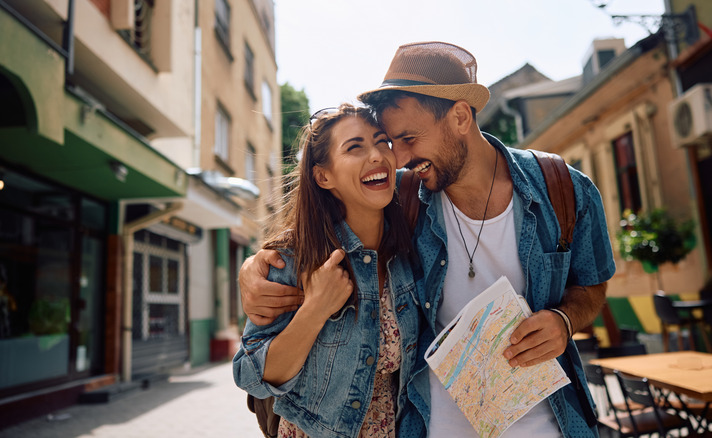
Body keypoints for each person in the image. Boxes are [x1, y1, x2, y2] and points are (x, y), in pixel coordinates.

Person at [240, 42, 616, 437]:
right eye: (391, 141)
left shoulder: (563, 189)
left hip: (552, 424)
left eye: (406, 138)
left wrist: (564, 319)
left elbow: (591, 282)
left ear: (459, 117)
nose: (397, 158)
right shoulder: (401, 199)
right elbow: (326, 218)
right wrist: (255, 266)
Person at [233, 104, 427, 438]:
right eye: (355, 147)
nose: (377, 155)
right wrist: (316, 309)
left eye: (382, 142)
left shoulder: (409, 252)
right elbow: (250, 375)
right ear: (324, 176)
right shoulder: (292, 260)